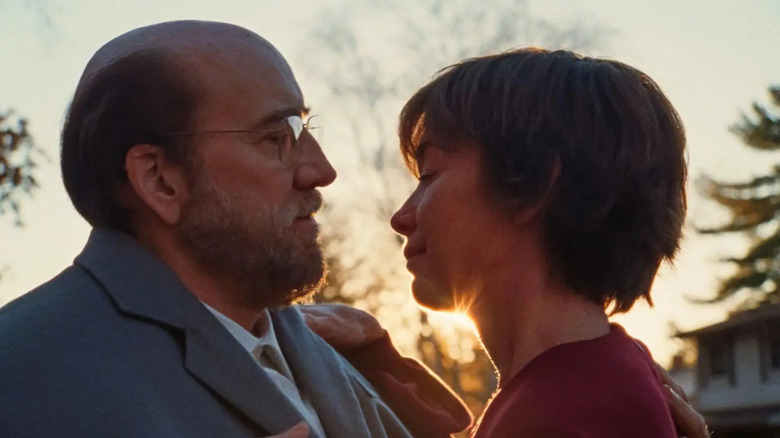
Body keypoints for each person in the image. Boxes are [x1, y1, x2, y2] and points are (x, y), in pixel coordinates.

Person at [0, 20, 469, 438]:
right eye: (274, 137)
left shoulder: (335, 353)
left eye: (304, 129)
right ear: (160, 180)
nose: (320, 170)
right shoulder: (23, 370)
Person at [387, 47, 704, 437]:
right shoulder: (588, 384)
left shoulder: (573, 413)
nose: (401, 218)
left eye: (429, 175)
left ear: (531, 185)